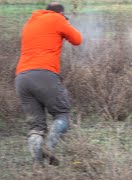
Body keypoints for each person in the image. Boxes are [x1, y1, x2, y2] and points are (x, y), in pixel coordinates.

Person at [15, 2, 82, 168]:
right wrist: (65, 22)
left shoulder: (30, 22)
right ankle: (49, 148)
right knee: (62, 114)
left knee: (36, 126)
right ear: (60, 13)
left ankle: (39, 167)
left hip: (22, 78)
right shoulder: (57, 19)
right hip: (44, 74)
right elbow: (77, 40)